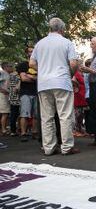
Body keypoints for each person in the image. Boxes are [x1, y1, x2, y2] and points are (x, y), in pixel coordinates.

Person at [29, 17, 79, 156]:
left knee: (46, 117)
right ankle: (67, 147)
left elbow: (32, 63)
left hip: (44, 83)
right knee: (65, 116)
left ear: (49, 28)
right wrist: (70, 74)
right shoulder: (66, 42)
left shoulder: (40, 44)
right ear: (62, 29)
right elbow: (74, 63)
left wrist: (44, 70)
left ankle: (49, 147)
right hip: (62, 81)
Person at [16, 46, 38, 142]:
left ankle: (34, 132)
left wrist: (30, 76)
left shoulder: (39, 64)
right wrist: (35, 77)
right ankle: (23, 133)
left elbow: (42, 77)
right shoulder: (23, 65)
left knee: (36, 115)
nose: (31, 53)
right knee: (24, 114)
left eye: (33, 51)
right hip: (25, 92)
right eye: (30, 52)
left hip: (37, 92)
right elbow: (24, 79)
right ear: (27, 53)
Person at [3, 63, 20, 136]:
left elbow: (6, 86)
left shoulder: (9, 76)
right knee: (18, 113)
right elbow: (18, 86)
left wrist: (10, 91)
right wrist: (15, 88)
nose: (12, 67)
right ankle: (16, 130)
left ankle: (13, 130)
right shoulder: (17, 75)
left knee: (13, 113)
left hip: (12, 96)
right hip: (18, 96)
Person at [72, 66, 87, 137]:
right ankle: (74, 131)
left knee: (81, 114)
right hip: (77, 95)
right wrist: (77, 86)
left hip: (82, 96)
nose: (81, 67)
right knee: (76, 114)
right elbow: (73, 80)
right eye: (80, 66)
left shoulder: (82, 74)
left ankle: (79, 129)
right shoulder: (76, 73)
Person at [0, 63, 11, 135]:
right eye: (10, 66)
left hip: (6, 94)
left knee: (6, 112)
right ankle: (3, 129)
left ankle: (4, 128)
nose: (11, 67)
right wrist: (1, 90)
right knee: (4, 113)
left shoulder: (7, 74)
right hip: (3, 95)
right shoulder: (3, 73)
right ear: (5, 67)